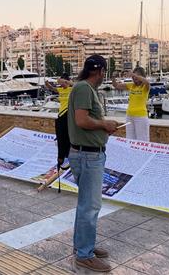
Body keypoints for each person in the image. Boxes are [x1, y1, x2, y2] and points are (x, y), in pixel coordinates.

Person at [67, 54, 118, 272]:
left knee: (86, 205)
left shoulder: (86, 89)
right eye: (104, 71)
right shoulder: (83, 89)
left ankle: (83, 246)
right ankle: (84, 255)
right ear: (100, 71)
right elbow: (82, 120)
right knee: (90, 206)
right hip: (88, 156)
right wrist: (104, 124)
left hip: (89, 154)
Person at [111, 67, 150, 141]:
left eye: (136, 76)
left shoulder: (145, 86)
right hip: (129, 116)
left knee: (142, 140)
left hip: (141, 117)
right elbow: (116, 85)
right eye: (133, 77)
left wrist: (134, 75)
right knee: (129, 140)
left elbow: (147, 82)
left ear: (142, 76)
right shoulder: (131, 85)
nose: (134, 78)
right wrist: (113, 77)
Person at [45, 73, 73, 167]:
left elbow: (78, 85)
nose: (60, 84)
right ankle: (61, 158)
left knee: (67, 137)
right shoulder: (61, 89)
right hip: (61, 115)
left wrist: (66, 82)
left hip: (68, 114)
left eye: (62, 82)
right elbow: (53, 89)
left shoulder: (72, 89)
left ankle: (68, 157)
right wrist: (48, 84)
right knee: (60, 137)